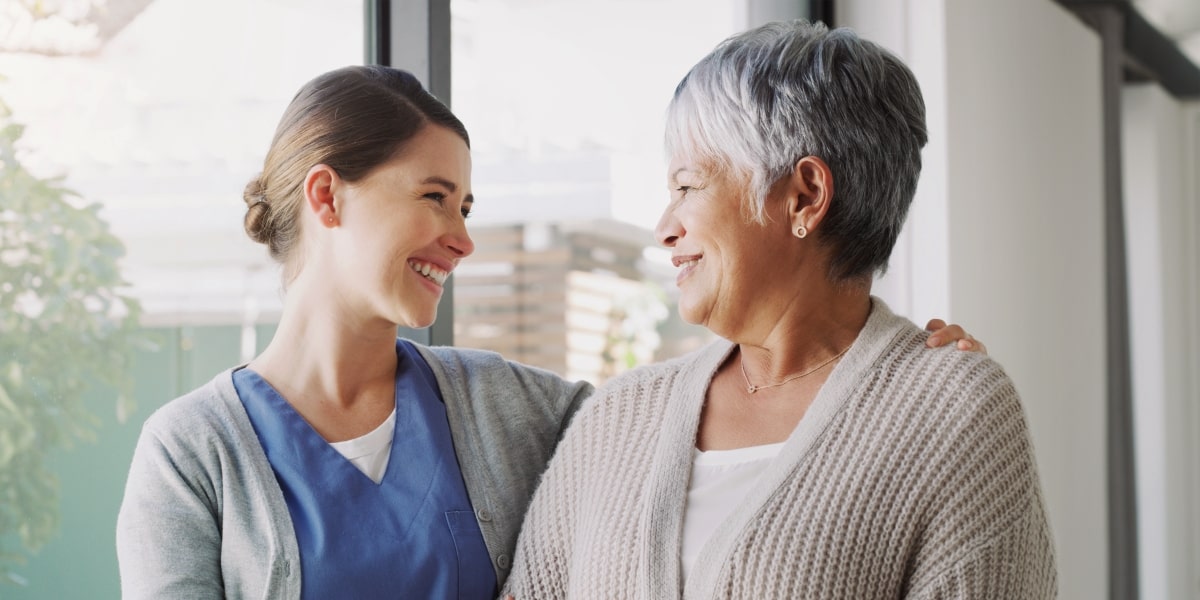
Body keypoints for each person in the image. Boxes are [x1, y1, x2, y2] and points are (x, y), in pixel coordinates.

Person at [114, 65, 984, 599]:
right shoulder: (192, 456)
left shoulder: (510, 407)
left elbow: (702, 423)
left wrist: (892, 370)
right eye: (432, 199)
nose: (461, 236)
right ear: (326, 195)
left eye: (467, 207)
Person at [503, 20, 1056, 600]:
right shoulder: (617, 418)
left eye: (688, 187)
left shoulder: (954, 413)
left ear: (805, 196)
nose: (665, 229)